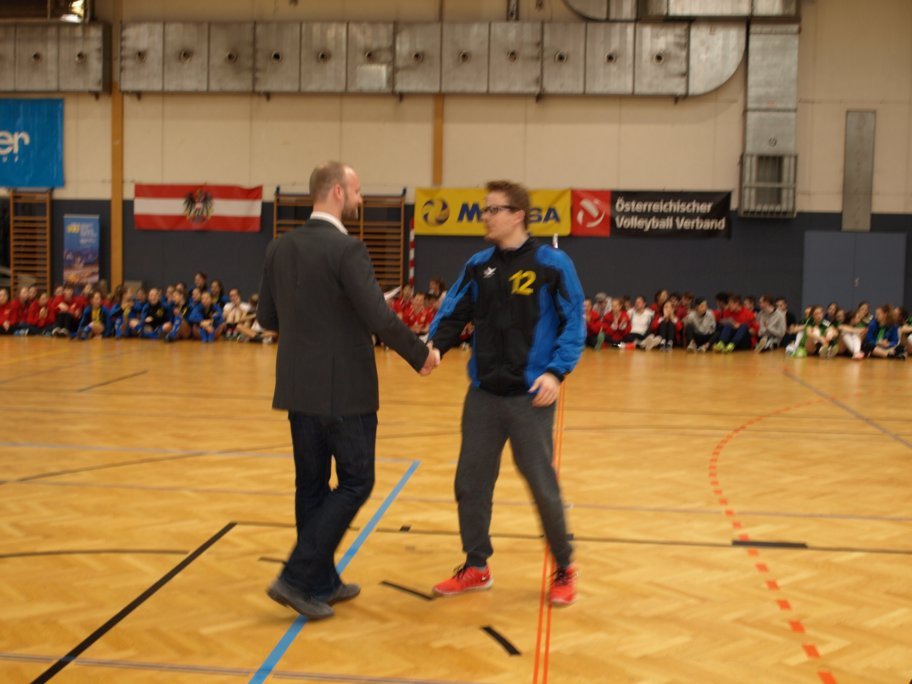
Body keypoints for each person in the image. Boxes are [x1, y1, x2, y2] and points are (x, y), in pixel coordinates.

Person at [257, 161, 437, 621]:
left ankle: (319, 582)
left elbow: (267, 319)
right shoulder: (348, 249)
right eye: (357, 191)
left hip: (297, 388)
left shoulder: (279, 248)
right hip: (346, 392)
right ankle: (296, 577)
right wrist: (420, 355)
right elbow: (378, 316)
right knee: (358, 480)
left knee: (311, 485)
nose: (361, 199)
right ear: (337, 192)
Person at [427, 179, 584, 607]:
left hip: (530, 396)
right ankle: (476, 565)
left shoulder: (553, 264)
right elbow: (454, 311)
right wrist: (435, 347)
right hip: (483, 395)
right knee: (470, 482)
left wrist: (556, 373)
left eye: (493, 209)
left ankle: (565, 566)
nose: (485, 217)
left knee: (542, 485)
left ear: (517, 215)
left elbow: (574, 322)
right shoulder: (478, 265)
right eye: (484, 209)